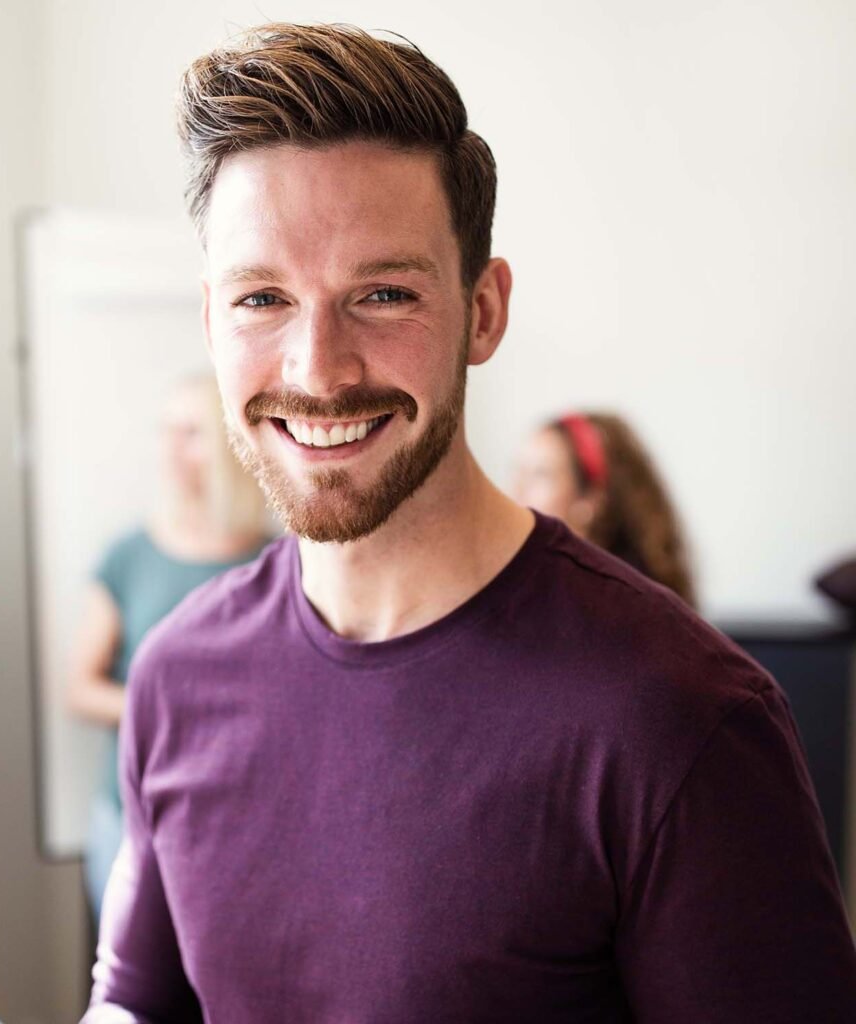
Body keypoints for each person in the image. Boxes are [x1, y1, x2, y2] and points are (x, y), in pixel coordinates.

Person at [84, 23, 856, 1023]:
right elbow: (133, 1008)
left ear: (483, 311)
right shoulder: (176, 676)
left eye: (383, 294)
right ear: (209, 321)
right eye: (262, 297)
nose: (318, 370)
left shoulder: (676, 718)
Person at [68, 374, 269, 924]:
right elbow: (80, 689)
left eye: (192, 433)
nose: (173, 450)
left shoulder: (279, 560)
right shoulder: (129, 556)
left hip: (245, 819)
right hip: (134, 817)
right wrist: (179, 708)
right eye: (167, 432)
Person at [513, 411, 696, 604]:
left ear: (591, 498)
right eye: (520, 473)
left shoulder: (627, 600)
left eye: (540, 474)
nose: (518, 490)